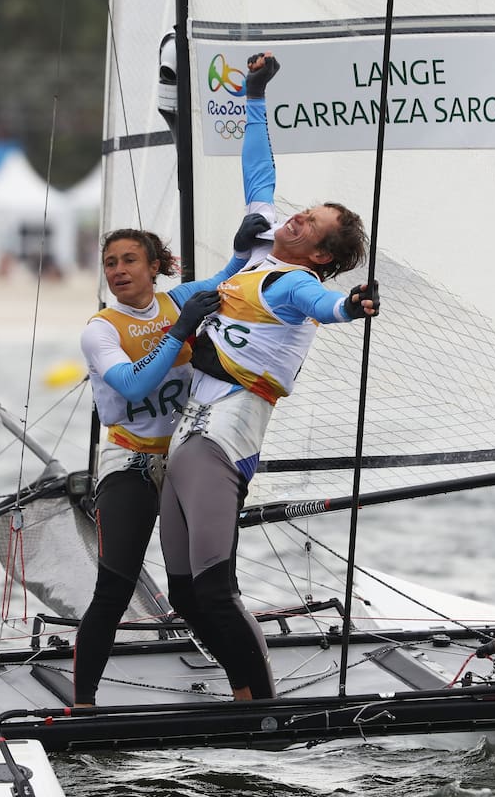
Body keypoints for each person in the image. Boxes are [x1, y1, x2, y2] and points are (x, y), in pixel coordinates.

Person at [158, 52, 380, 701]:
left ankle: (261, 706)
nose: (293, 217)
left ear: (319, 254)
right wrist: (254, 96)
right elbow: (259, 166)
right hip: (187, 435)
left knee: (214, 588)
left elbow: (323, 309)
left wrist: (351, 307)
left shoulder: (296, 284)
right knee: (182, 591)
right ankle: (242, 695)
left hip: (221, 439)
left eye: (307, 223)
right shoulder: (260, 249)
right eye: (301, 212)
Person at [73, 215, 271, 707]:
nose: (117, 271)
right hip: (131, 463)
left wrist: (247, 245)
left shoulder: (178, 300)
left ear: (155, 267)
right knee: (114, 588)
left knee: (198, 592)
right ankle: (82, 706)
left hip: (187, 460)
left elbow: (236, 275)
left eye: (129, 261)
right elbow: (133, 385)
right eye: (110, 263)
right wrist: (179, 332)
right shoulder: (101, 330)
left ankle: (246, 692)